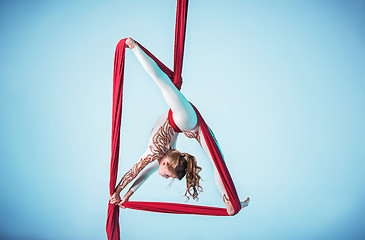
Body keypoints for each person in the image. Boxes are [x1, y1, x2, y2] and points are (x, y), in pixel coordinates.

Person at [110, 38, 249, 215]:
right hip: (184, 119)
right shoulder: (156, 152)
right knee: (162, 82)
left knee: (217, 161)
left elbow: (143, 174)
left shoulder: (162, 155)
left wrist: (126, 193)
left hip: (188, 125)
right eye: (169, 175)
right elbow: (136, 170)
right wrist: (119, 191)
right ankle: (133, 46)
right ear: (166, 162)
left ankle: (230, 203)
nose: (165, 178)